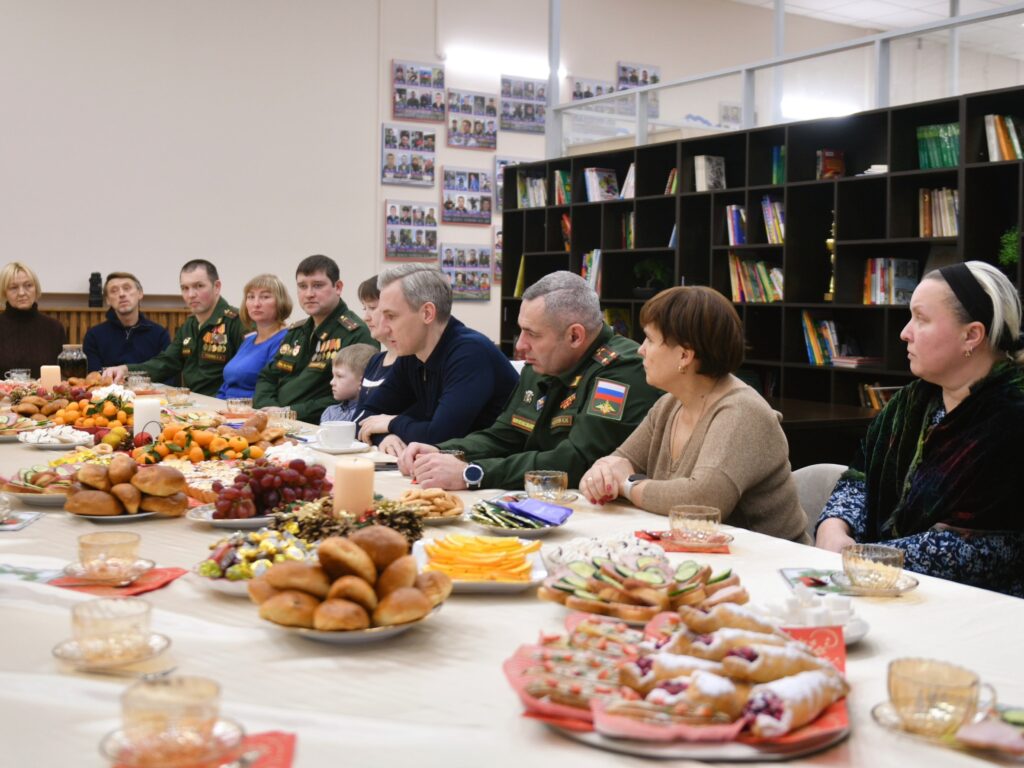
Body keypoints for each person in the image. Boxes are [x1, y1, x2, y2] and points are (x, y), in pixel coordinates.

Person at [816, 261, 1024, 596]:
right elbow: (860, 477)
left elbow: (982, 551)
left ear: (971, 335)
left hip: (979, 612)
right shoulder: (912, 402)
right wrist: (833, 526)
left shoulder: (1011, 416)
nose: (905, 332)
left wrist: (863, 557)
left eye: (921, 319)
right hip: (880, 586)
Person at [579, 287, 808, 543]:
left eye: (650, 340)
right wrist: (601, 474)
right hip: (699, 557)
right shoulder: (669, 404)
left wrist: (628, 485)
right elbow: (616, 463)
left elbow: (704, 501)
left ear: (685, 355)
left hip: (772, 567)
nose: (640, 350)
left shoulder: (742, 412)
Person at [398, 271, 660, 490]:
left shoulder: (620, 370)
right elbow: (505, 435)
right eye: (520, 330)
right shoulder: (543, 363)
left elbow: (577, 461)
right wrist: (442, 451)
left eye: (531, 334)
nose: (520, 346)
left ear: (575, 337)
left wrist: (474, 473)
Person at [357, 265, 518, 456]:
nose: (383, 327)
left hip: (495, 473)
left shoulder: (470, 353)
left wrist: (392, 424)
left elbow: (441, 437)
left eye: (391, 316)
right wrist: (385, 437)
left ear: (427, 313)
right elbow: (363, 417)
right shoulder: (411, 353)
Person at [254, 254, 376, 423]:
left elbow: (353, 394)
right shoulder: (297, 331)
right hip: (277, 420)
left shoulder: (356, 332)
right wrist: (268, 407)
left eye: (318, 286)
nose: (309, 294)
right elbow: (268, 377)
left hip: (318, 425)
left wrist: (288, 412)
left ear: (338, 287)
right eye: (302, 286)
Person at [105, 260, 244, 396]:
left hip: (226, 404)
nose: (191, 295)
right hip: (195, 404)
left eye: (199, 286)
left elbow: (249, 374)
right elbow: (167, 362)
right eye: (185, 288)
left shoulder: (237, 321)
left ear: (217, 287)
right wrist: (126, 369)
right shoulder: (189, 325)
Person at [216, 274, 292, 399]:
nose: (256, 303)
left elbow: (272, 389)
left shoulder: (285, 339)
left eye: (265, 297)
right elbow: (228, 384)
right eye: (251, 297)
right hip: (227, 408)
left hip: (253, 411)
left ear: (280, 302)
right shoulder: (249, 340)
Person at [83, 272, 170, 373]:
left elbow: (166, 373)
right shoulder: (94, 336)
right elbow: (94, 377)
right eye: (114, 291)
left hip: (151, 389)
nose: (121, 294)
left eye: (127, 288)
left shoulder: (159, 334)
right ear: (107, 300)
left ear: (140, 293)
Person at [0, 262, 66, 377]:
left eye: (28, 285)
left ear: (36, 288)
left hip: (44, 394)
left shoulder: (54, 328)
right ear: (4, 292)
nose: (22, 293)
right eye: (13, 288)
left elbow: (64, 376)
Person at [354, 275, 398, 404]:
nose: (365, 318)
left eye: (372, 308)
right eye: (364, 308)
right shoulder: (375, 360)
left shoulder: (411, 360)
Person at [321, 343, 378, 423]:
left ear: (362, 381)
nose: (331, 382)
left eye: (339, 376)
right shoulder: (330, 413)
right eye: (333, 376)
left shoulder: (370, 417)